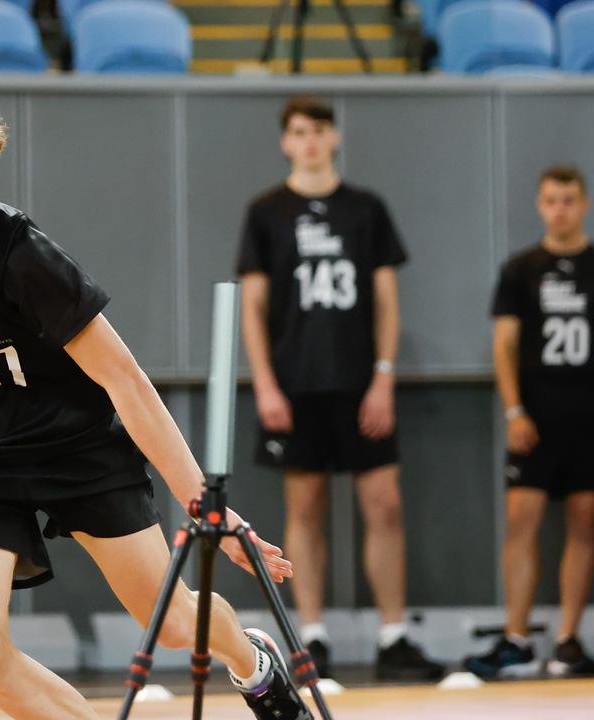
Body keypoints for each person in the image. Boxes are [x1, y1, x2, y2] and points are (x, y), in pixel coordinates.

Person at [0, 76, 312, 720]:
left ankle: (253, 662)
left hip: (71, 443)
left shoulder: (14, 251)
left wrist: (205, 509)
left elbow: (123, 378)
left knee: (178, 624)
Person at [237, 96, 444, 681]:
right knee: (305, 507)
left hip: (360, 382)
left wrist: (383, 376)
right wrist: (267, 386)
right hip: (296, 382)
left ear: (334, 138)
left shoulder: (365, 209)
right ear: (285, 142)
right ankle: (311, 637)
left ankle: (394, 635)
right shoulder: (266, 212)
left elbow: (385, 300)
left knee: (385, 504)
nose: (309, 142)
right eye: (299, 132)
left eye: (319, 131)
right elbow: (252, 309)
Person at [465, 165, 594, 679]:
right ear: (540, 206)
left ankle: (568, 640)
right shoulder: (521, 269)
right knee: (522, 523)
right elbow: (504, 345)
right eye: (551, 200)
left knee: (586, 525)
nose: (560, 209)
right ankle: (516, 637)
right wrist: (515, 410)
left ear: (584, 203)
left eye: (568, 199)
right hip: (536, 417)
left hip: (593, 414)